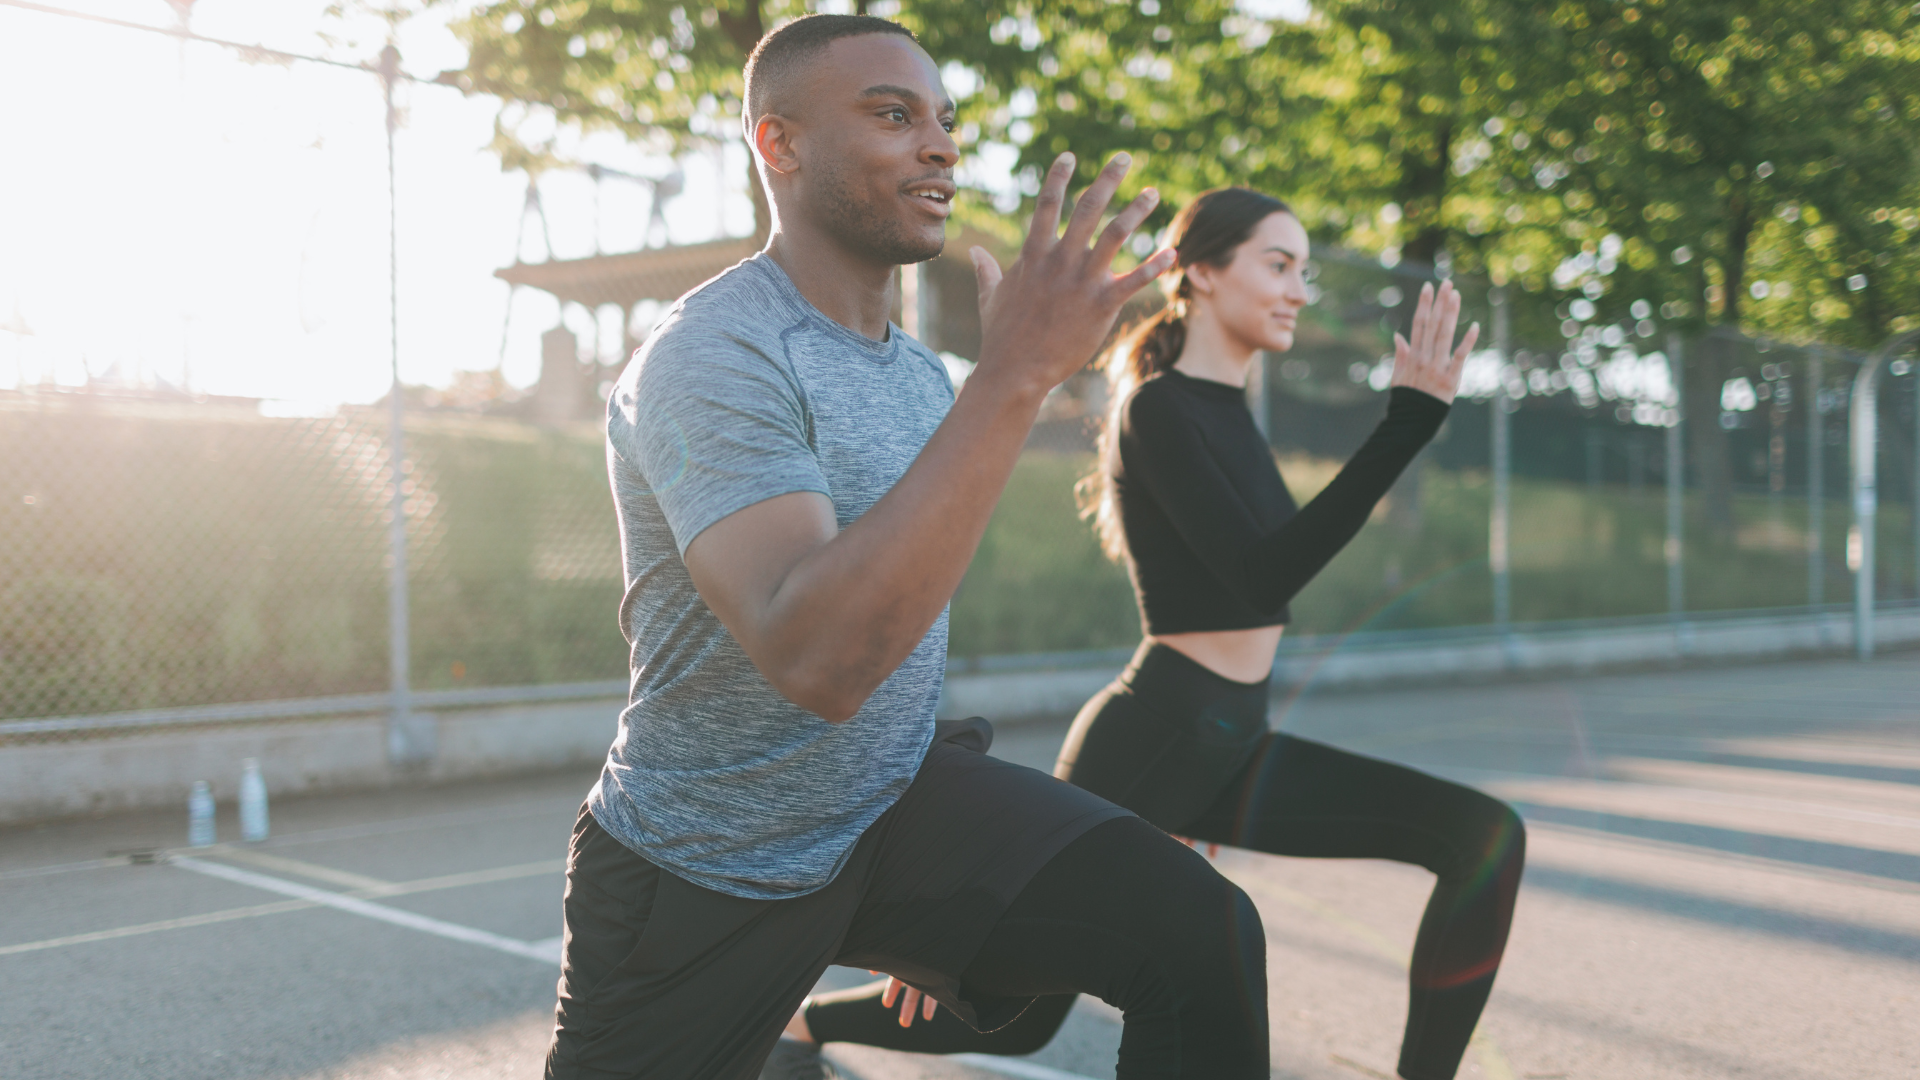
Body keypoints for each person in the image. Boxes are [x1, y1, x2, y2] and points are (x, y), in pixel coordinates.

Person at [547, 16, 1274, 1080]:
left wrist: (950, 875)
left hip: (889, 811)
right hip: (706, 864)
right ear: (780, 145)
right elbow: (819, 660)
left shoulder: (922, 376)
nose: (941, 145)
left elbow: (903, 606)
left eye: (946, 121)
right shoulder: (711, 357)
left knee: (1199, 930)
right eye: (893, 115)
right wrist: (1013, 377)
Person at [786, 189, 1527, 1080]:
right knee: (1014, 1015)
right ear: (1202, 273)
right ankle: (803, 1029)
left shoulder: (1228, 411)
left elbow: (1269, 574)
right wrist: (1405, 424)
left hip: (1231, 739)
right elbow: (1261, 577)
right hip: (1155, 735)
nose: (1298, 289)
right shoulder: (1160, 410)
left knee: (1484, 837)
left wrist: (1407, 424)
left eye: (1305, 270)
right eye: (1278, 264)